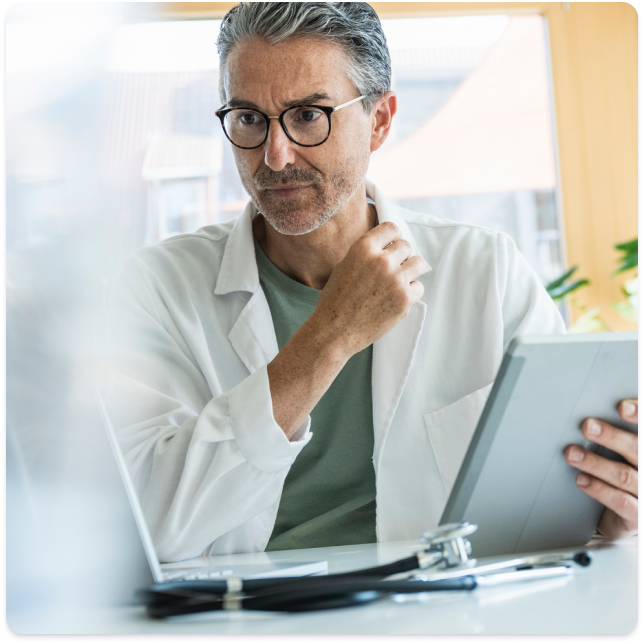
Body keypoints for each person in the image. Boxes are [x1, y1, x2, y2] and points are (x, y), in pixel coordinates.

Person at [106, 3, 637, 563]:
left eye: (309, 115)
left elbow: (561, 502)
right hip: (247, 615)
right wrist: (328, 338)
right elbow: (143, 528)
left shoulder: (487, 271)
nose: (274, 154)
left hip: (445, 612)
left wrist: (607, 506)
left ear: (380, 121)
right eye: (248, 118)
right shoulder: (155, 290)